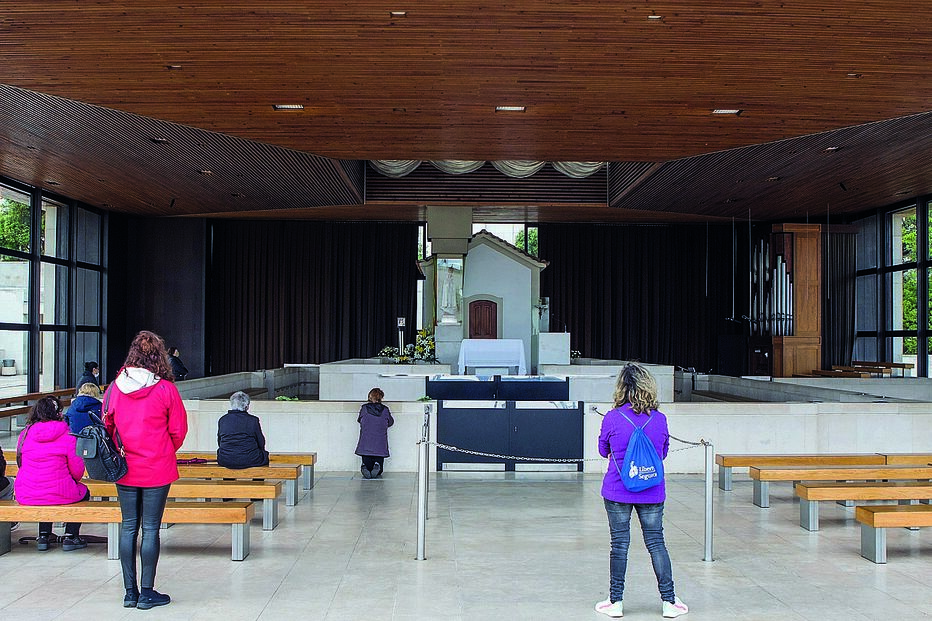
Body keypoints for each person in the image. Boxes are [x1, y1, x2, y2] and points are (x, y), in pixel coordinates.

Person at [595, 363, 688, 619]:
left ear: (621, 388)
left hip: (617, 490)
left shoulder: (612, 417)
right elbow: (663, 453)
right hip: (652, 490)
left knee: (619, 545)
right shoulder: (659, 419)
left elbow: (603, 450)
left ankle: (615, 601)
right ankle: (669, 601)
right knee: (656, 542)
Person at [105, 330, 188, 610]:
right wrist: (162, 449)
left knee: (129, 527)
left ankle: (130, 592)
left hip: (125, 467)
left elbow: (108, 425)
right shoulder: (166, 389)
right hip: (157, 466)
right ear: (159, 357)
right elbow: (178, 430)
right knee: (151, 528)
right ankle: (147, 593)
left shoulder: (115, 388)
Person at [13, 396, 90, 551]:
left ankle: (43, 535)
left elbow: (20, 461)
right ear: (59, 413)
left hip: (26, 492)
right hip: (60, 491)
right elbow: (77, 471)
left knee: (44, 493)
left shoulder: (25, 433)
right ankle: (71, 536)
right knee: (83, 492)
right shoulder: (67, 434)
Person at [217, 391, 269, 469]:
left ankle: (228, 477)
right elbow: (260, 441)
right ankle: (257, 477)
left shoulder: (223, 420)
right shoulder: (253, 420)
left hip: (225, 459)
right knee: (264, 455)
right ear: (246, 406)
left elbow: (220, 441)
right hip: (250, 459)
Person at [355, 387, 394, 479]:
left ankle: (366, 467)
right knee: (379, 466)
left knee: (366, 458)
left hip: (366, 441)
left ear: (370, 396)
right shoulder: (385, 409)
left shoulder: (364, 408)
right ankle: (377, 467)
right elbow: (391, 422)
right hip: (380, 442)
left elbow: (359, 420)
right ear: (381, 398)